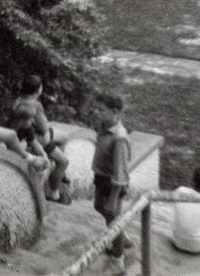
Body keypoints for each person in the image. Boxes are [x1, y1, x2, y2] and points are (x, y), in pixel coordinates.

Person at [10, 75, 71, 204]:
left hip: (30, 134)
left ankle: (58, 173)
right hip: (36, 136)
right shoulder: (36, 104)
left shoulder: (18, 100)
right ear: (38, 89)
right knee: (64, 161)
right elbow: (44, 129)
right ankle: (53, 192)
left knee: (64, 137)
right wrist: (47, 145)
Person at [91, 94, 131, 274]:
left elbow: (120, 173)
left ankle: (118, 259)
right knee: (99, 206)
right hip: (100, 176)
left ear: (115, 112)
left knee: (113, 218)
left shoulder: (119, 138)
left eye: (101, 110)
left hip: (113, 183)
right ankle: (122, 237)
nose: (96, 112)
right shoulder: (103, 127)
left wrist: (114, 198)